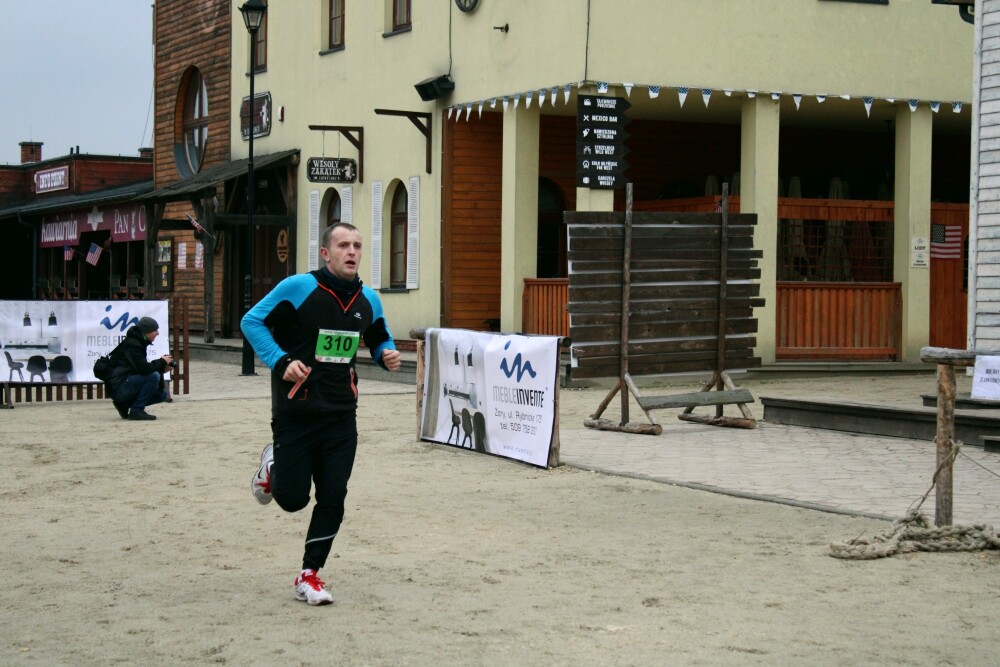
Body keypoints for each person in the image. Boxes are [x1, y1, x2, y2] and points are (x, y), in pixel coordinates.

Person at [241, 221, 401, 606]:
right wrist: (281, 361)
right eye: (343, 245)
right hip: (297, 410)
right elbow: (252, 322)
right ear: (325, 253)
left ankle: (309, 574)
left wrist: (386, 354)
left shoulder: (369, 299)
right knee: (293, 499)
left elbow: (378, 334)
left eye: (357, 245)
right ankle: (273, 467)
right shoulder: (298, 288)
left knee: (333, 496)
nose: (352, 252)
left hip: (341, 414)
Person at [106, 316, 173, 421]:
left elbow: (139, 369)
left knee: (162, 395)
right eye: (155, 330)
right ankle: (136, 410)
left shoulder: (138, 342)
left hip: (122, 384)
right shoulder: (133, 344)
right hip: (118, 386)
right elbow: (144, 369)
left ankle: (124, 404)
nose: (158, 333)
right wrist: (161, 362)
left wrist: (162, 369)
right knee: (153, 376)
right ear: (146, 331)